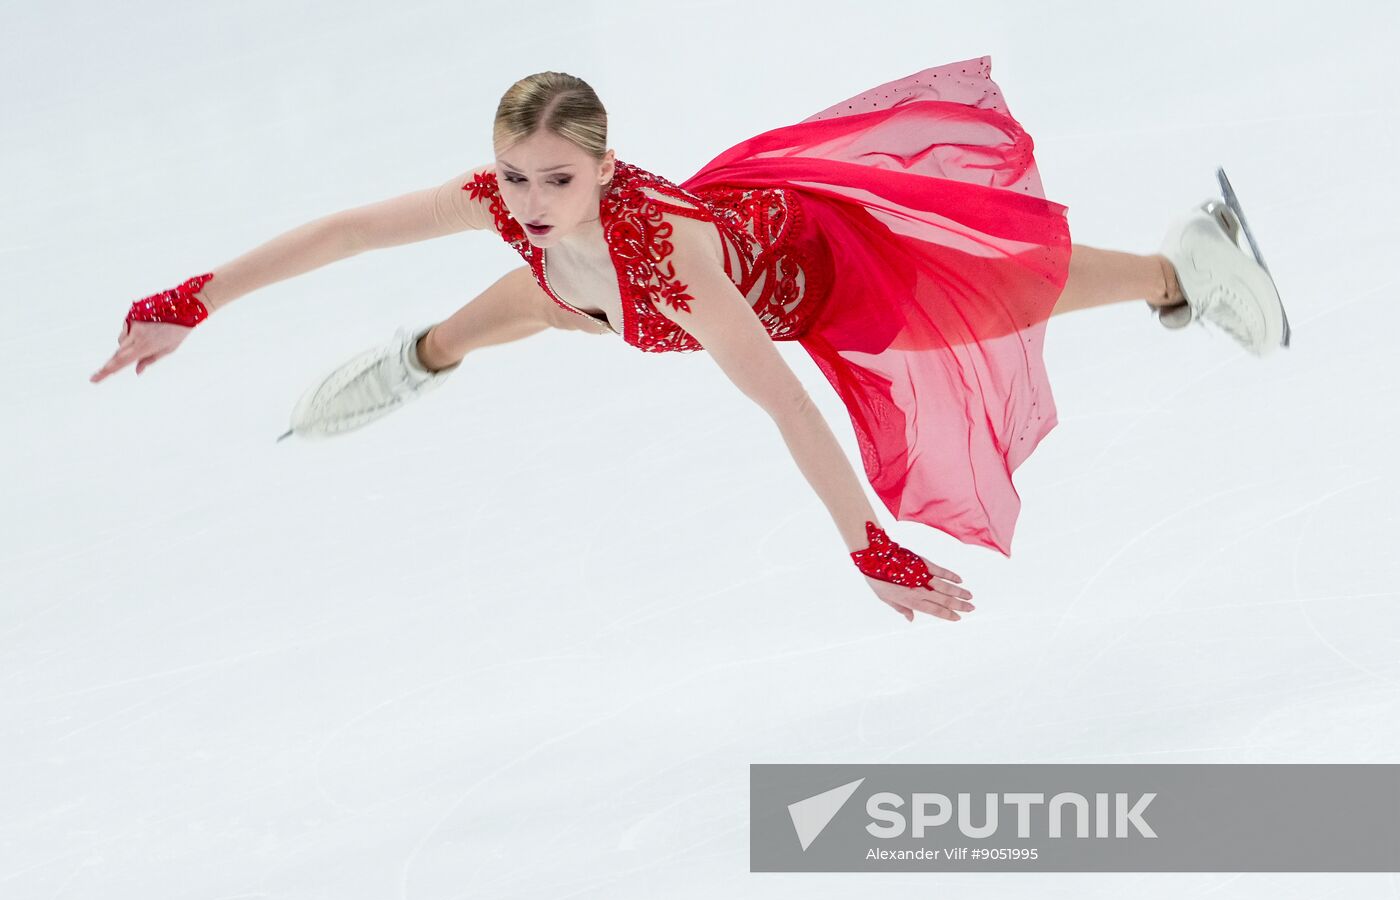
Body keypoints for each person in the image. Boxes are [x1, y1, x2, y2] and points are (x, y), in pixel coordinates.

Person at [90, 57, 1288, 624]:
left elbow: (784, 404)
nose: (530, 196)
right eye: (514, 175)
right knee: (534, 303)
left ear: (605, 164)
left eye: (557, 176)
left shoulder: (671, 256)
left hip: (805, 268)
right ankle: (425, 357)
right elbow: (350, 231)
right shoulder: (516, 205)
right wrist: (194, 298)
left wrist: (864, 543)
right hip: (604, 290)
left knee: (989, 296)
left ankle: (1182, 264)